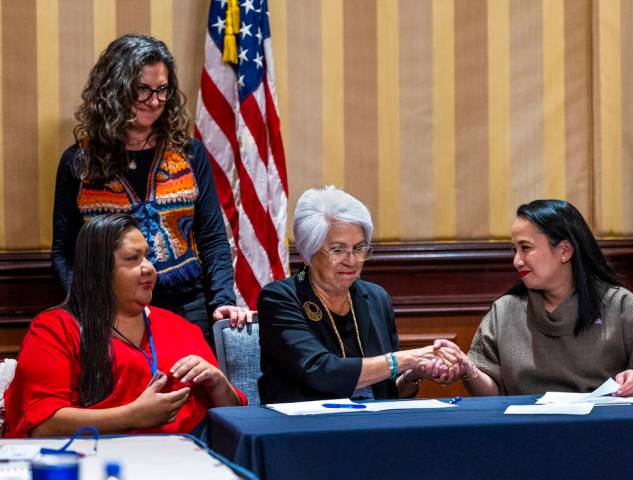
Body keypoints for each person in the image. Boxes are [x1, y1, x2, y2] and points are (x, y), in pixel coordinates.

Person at [51, 34, 252, 339]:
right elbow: (64, 251)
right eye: (142, 89)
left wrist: (223, 299)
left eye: (162, 90)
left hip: (187, 307)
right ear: (115, 90)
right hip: (109, 309)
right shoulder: (79, 162)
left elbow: (212, 239)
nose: (155, 100)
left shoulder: (190, 154)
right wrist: (80, 306)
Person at [4, 214, 245, 438]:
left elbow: (235, 417)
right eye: (133, 259)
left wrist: (218, 383)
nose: (149, 267)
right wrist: (132, 417)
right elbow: (43, 424)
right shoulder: (54, 328)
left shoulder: (180, 328)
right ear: (99, 270)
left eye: (147, 256)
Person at [434, 199, 633, 397]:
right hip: (524, 437)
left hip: (602, 433)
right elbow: (492, 393)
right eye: (514, 250)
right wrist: (468, 370)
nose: (516, 261)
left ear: (564, 251)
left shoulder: (617, 303)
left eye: (526, 248)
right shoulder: (505, 311)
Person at [258, 186, 455, 404]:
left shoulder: (376, 297)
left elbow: (389, 392)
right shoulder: (280, 298)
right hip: (306, 428)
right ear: (309, 251)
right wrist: (408, 359)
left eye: (359, 248)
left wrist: (415, 373)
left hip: (372, 426)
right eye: (338, 250)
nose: (351, 260)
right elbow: (321, 371)